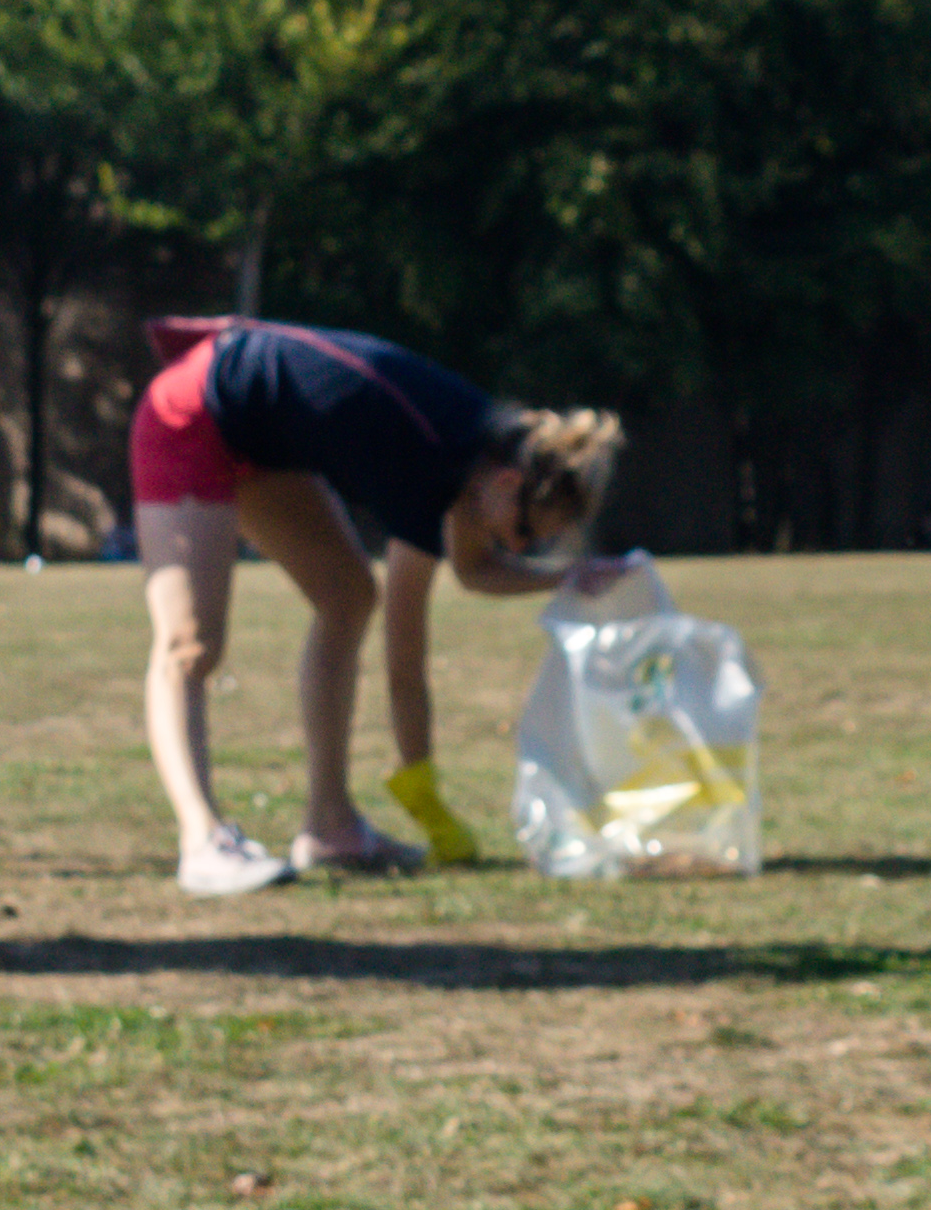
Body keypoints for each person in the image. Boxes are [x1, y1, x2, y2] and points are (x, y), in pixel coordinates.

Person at [128, 315, 623, 894]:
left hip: (261, 440)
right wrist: (423, 792)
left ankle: (329, 826)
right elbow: (404, 658)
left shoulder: (480, 455)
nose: (519, 547)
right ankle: (202, 841)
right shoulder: (435, 459)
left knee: (348, 596)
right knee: (189, 641)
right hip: (194, 413)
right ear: (511, 484)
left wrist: (573, 577)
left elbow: (474, 570)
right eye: (524, 532)